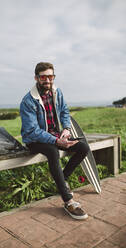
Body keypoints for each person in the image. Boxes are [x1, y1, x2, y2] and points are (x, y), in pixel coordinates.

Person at [20, 62, 89, 220]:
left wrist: (66, 129)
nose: (48, 80)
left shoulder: (57, 92)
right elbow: (32, 131)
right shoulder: (28, 100)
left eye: (51, 76)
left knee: (83, 147)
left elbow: (64, 111)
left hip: (57, 135)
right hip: (35, 139)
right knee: (52, 151)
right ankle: (68, 201)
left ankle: (62, 179)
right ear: (36, 78)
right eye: (43, 77)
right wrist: (57, 141)